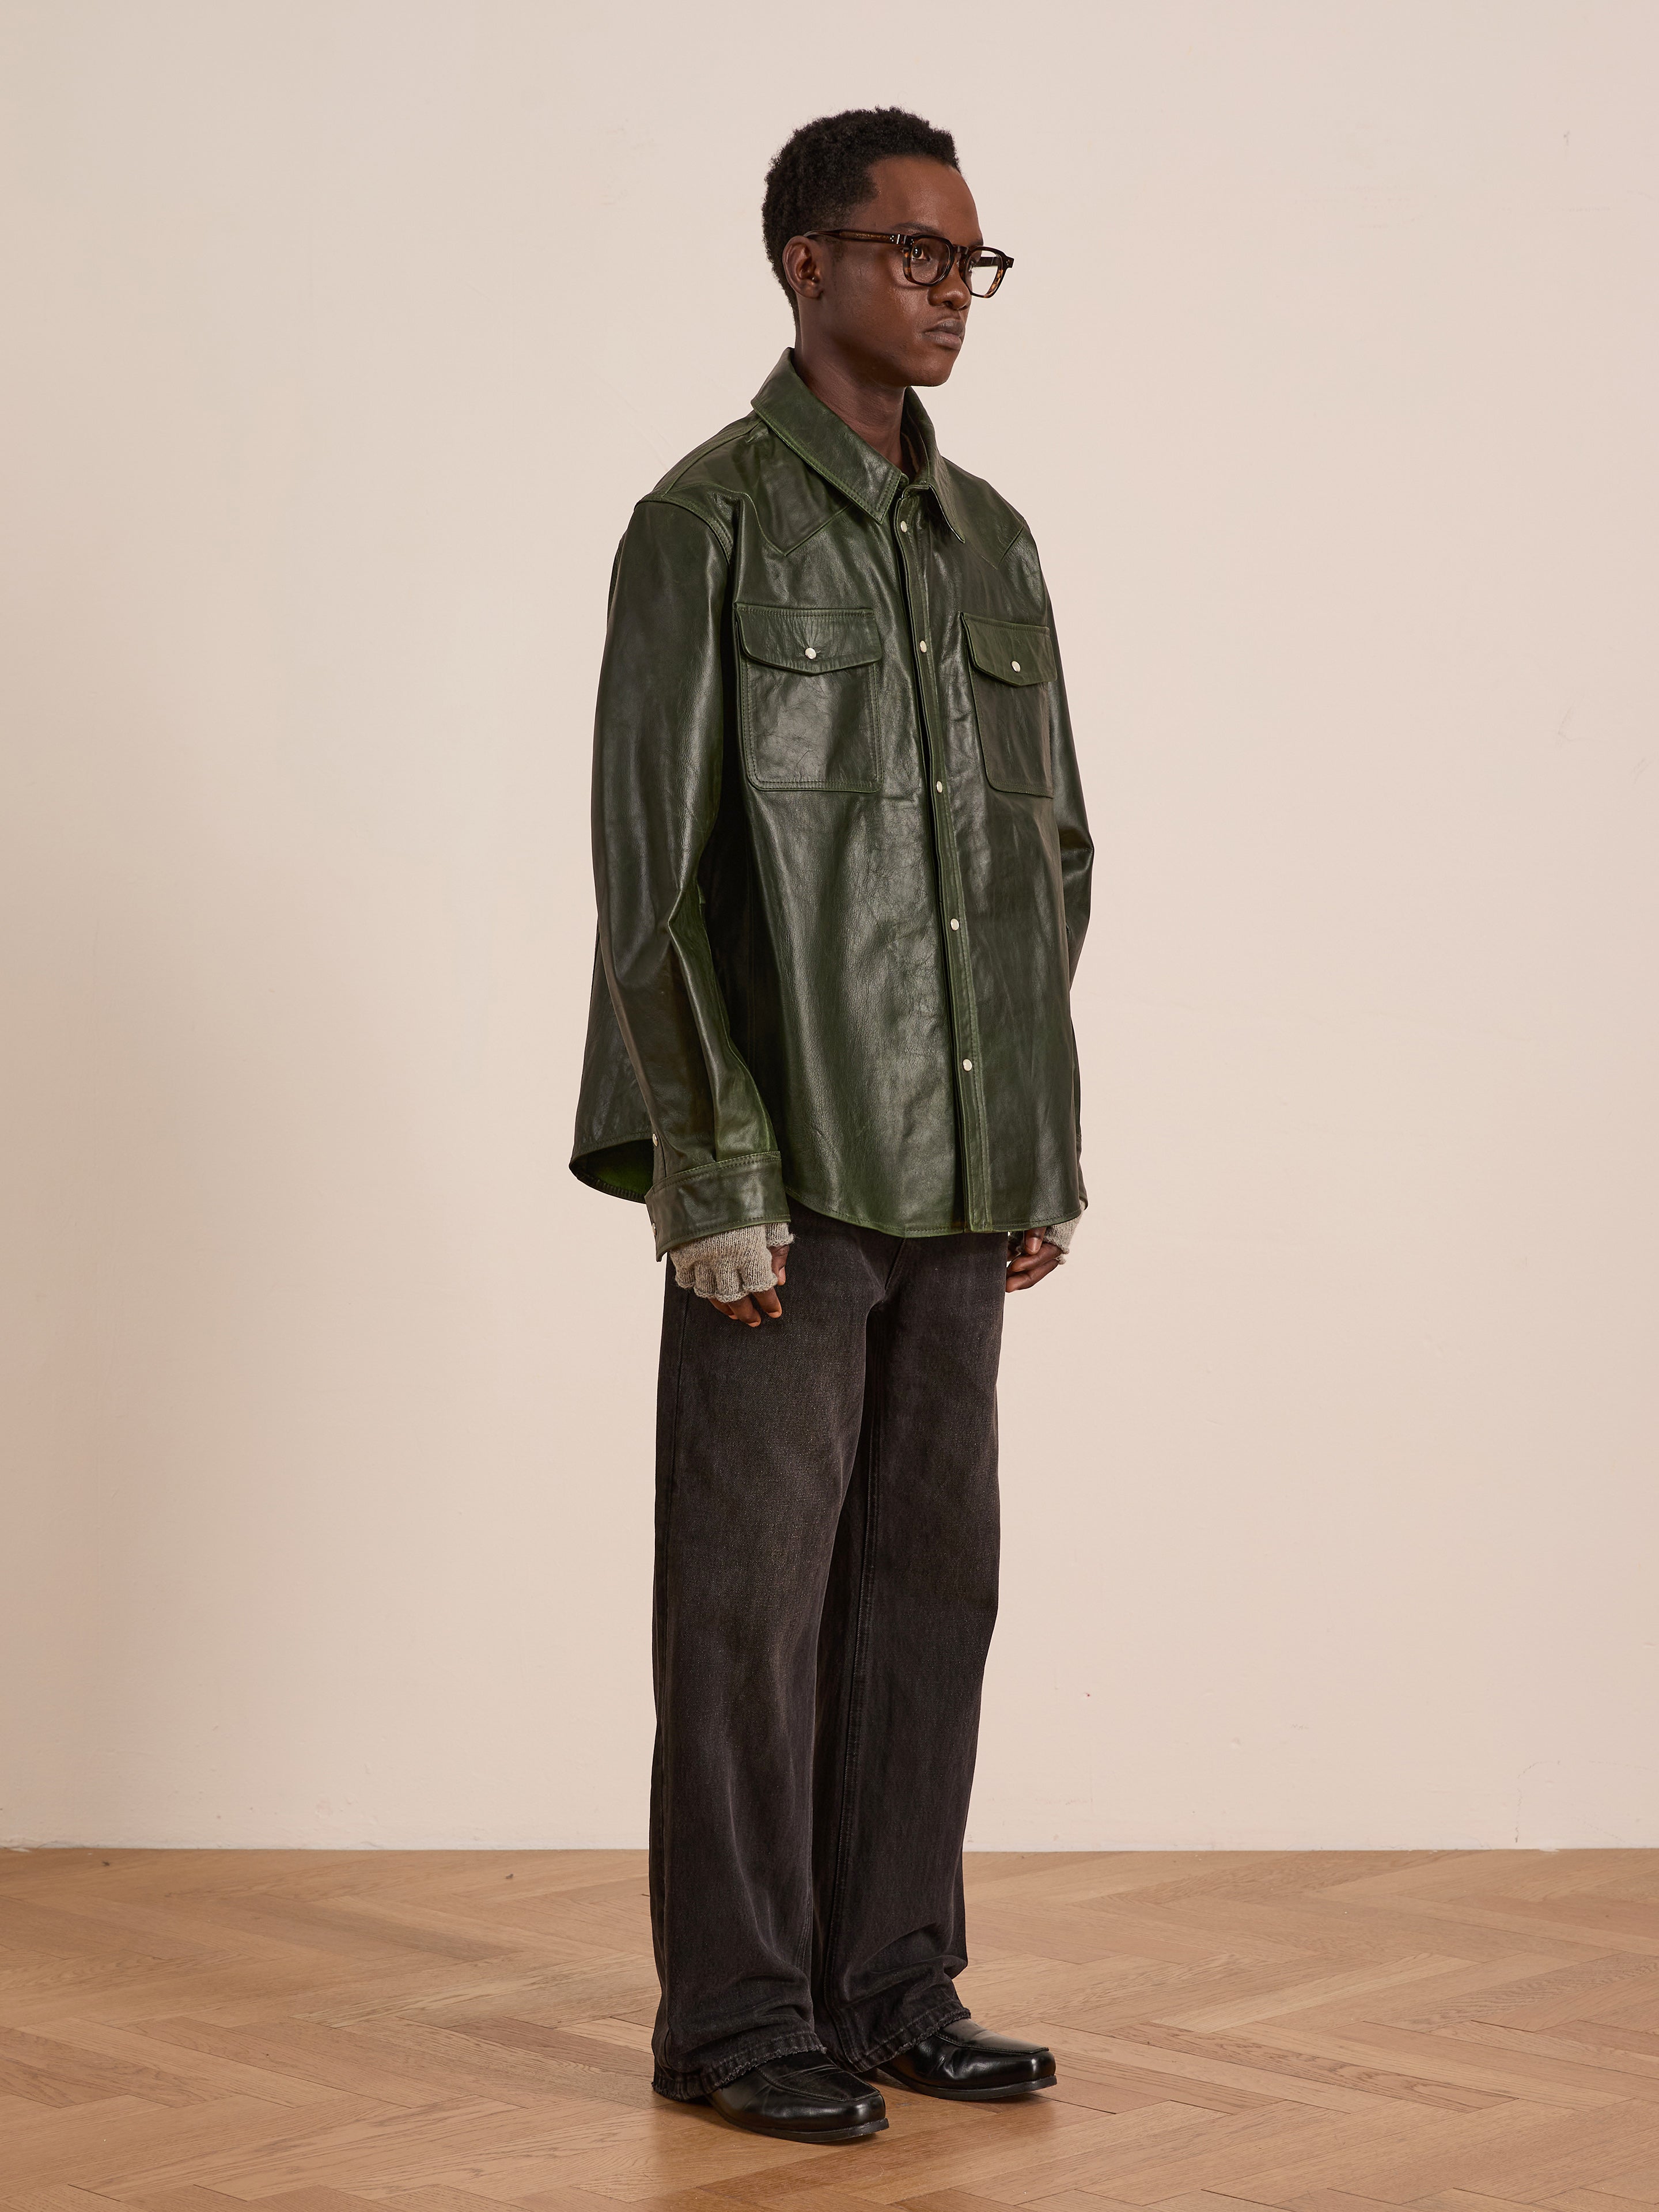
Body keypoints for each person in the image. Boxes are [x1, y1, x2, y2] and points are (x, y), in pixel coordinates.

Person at [570, 106, 1093, 2147]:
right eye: (916, 254)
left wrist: (1037, 1135)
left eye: (972, 261)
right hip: (782, 1176)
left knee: (928, 1599)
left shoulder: (995, 544)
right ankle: (731, 2015)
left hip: (966, 1171)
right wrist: (709, 1176)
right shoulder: (701, 524)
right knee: (748, 1612)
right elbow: (654, 879)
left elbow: (1052, 850)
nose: (953, 291)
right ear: (810, 264)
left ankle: (892, 1986)